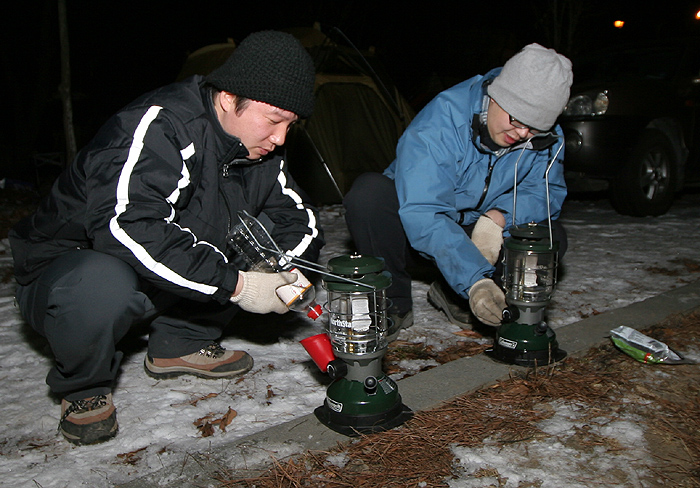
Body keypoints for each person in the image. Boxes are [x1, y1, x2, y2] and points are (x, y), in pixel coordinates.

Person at [8, 30, 324, 445]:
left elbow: (297, 216)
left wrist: (281, 267)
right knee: (101, 281)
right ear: (229, 98)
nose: (281, 138)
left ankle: (180, 342)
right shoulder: (160, 124)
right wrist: (240, 286)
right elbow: (126, 228)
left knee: (247, 239)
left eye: (291, 125)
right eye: (273, 120)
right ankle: (83, 387)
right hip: (69, 272)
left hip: (151, 271)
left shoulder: (259, 149)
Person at [344, 43, 572, 340]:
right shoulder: (442, 119)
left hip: (482, 237)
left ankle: (464, 297)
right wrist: (474, 279)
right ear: (495, 96)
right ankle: (394, 303)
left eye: (535, 128)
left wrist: (499, 218)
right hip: (415, 234)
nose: (522, 134)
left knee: (549, 236)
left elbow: (546, 192)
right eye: (517, 120)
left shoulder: (546, 137)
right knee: (369, 195)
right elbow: (425, 211)